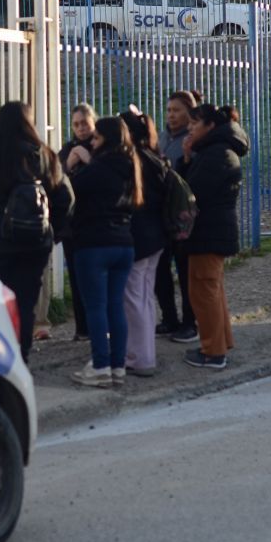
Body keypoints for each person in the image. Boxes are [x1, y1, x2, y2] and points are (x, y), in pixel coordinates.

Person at [0, 101, 73, 363]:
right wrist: (56, 231)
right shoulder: (43, 154)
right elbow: (66, 197)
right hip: (34, 242)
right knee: (26, 302)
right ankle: (21, 357)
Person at [68, 117, 142, 387]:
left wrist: (72, 166)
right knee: (115, 307)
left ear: (106, 140)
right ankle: (118, 365)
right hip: (123, 243)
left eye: (96, 138)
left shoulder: (97, 168)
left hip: (94, 243)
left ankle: (100, 365)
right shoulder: (131, 166)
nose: (92, 142)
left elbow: (71, 194)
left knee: (95, 307)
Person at [178, 103, 249, 369]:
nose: (189, 130)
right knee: (211, 290)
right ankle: (221, 342)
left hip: (209, 231)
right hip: (211, 231)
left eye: (194, 124)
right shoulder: (213, 151)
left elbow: (193, 193)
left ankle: (213, 352)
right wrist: (186, 158)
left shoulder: (218, 154)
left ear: (210, 126)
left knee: (204, 292)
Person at [120, 108, 167, 377]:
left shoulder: (133, 159)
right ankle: (145, 351)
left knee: (134, 298)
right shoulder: (154, 156)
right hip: (156, 236)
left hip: (139, 236)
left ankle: (139, 358)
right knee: (145, 298)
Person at [155, 90, 200, 342]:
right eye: (169, 110)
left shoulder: (192, 140)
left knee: (185, 272)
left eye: (177, 110)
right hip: (162, 215)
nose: (171, 115)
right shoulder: (163, 138)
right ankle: (169, 318)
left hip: (184, 216)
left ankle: (189, 322)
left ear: (189, 113)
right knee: (161, 271)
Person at [58, 102, 97, 341]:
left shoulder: (100, 145)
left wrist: (88, 159)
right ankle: (82, 328)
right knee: (76, 276)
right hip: (73, 224)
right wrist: (70, 164)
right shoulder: (68, 149)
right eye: (76, 124)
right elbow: (57, 177)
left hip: (94, 222)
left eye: (84, 123)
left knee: (93, 277)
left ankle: (96, 327)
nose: (81, 128)